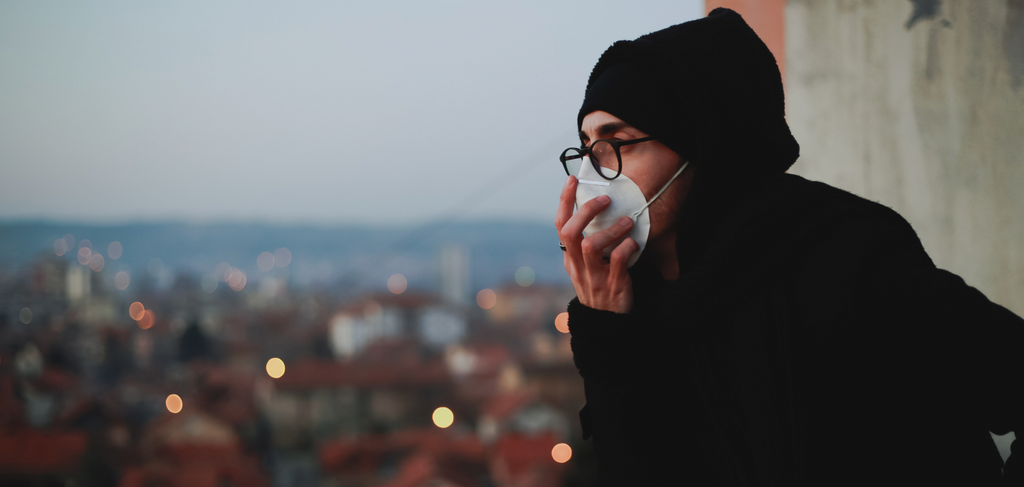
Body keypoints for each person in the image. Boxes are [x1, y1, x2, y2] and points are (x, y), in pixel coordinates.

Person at [555, 8, 1024, 486]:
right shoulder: (640, 301)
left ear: (703, 145)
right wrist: (610, 331)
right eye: (586, 148)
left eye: (617, 144)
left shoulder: (840, 257)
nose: (592, 177)